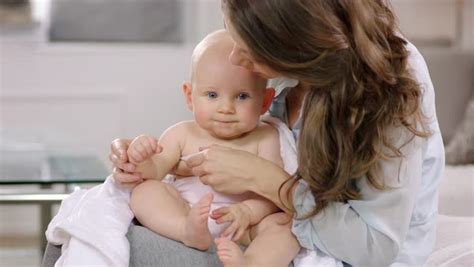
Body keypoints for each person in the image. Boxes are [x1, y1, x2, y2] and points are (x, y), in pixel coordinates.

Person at [109, 1, 444, 266]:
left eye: (251, 47)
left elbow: (376, 247)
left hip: (338, 251)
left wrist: (267, 181)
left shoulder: (391, 84)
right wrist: (139, 160)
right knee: (114, 223)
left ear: (296, 44)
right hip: (271, 227)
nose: (235, 57)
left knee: (125, 248)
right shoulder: (292, 74)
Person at [126, 29, 300, 267]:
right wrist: (142, 155)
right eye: (212, 94)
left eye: (241, 96)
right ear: (190, 96)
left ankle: (252, 262)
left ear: (265, 102)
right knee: (145, 191)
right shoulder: (182, 134)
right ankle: (184, 231)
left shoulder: (266, 138)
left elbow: (274, 195)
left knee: (286, 227)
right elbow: (155, 170)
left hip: (244, 226)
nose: (225, 108)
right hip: (186, 210)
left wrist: (248, 212)